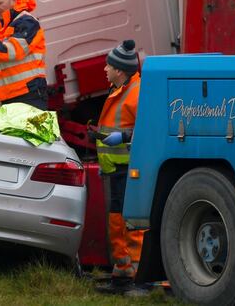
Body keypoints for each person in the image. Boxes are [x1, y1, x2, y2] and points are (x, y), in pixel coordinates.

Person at [93, 39, 144, 293]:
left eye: (108, 66)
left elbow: (148, 129)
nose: (105, 69)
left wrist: (122, 138)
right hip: (117, 170)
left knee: (129, 223)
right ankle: (123, 274)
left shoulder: (136, 93)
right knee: (117, 221)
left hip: (130, 171)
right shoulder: (122, 90)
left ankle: (135, 275)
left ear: (120, 70)